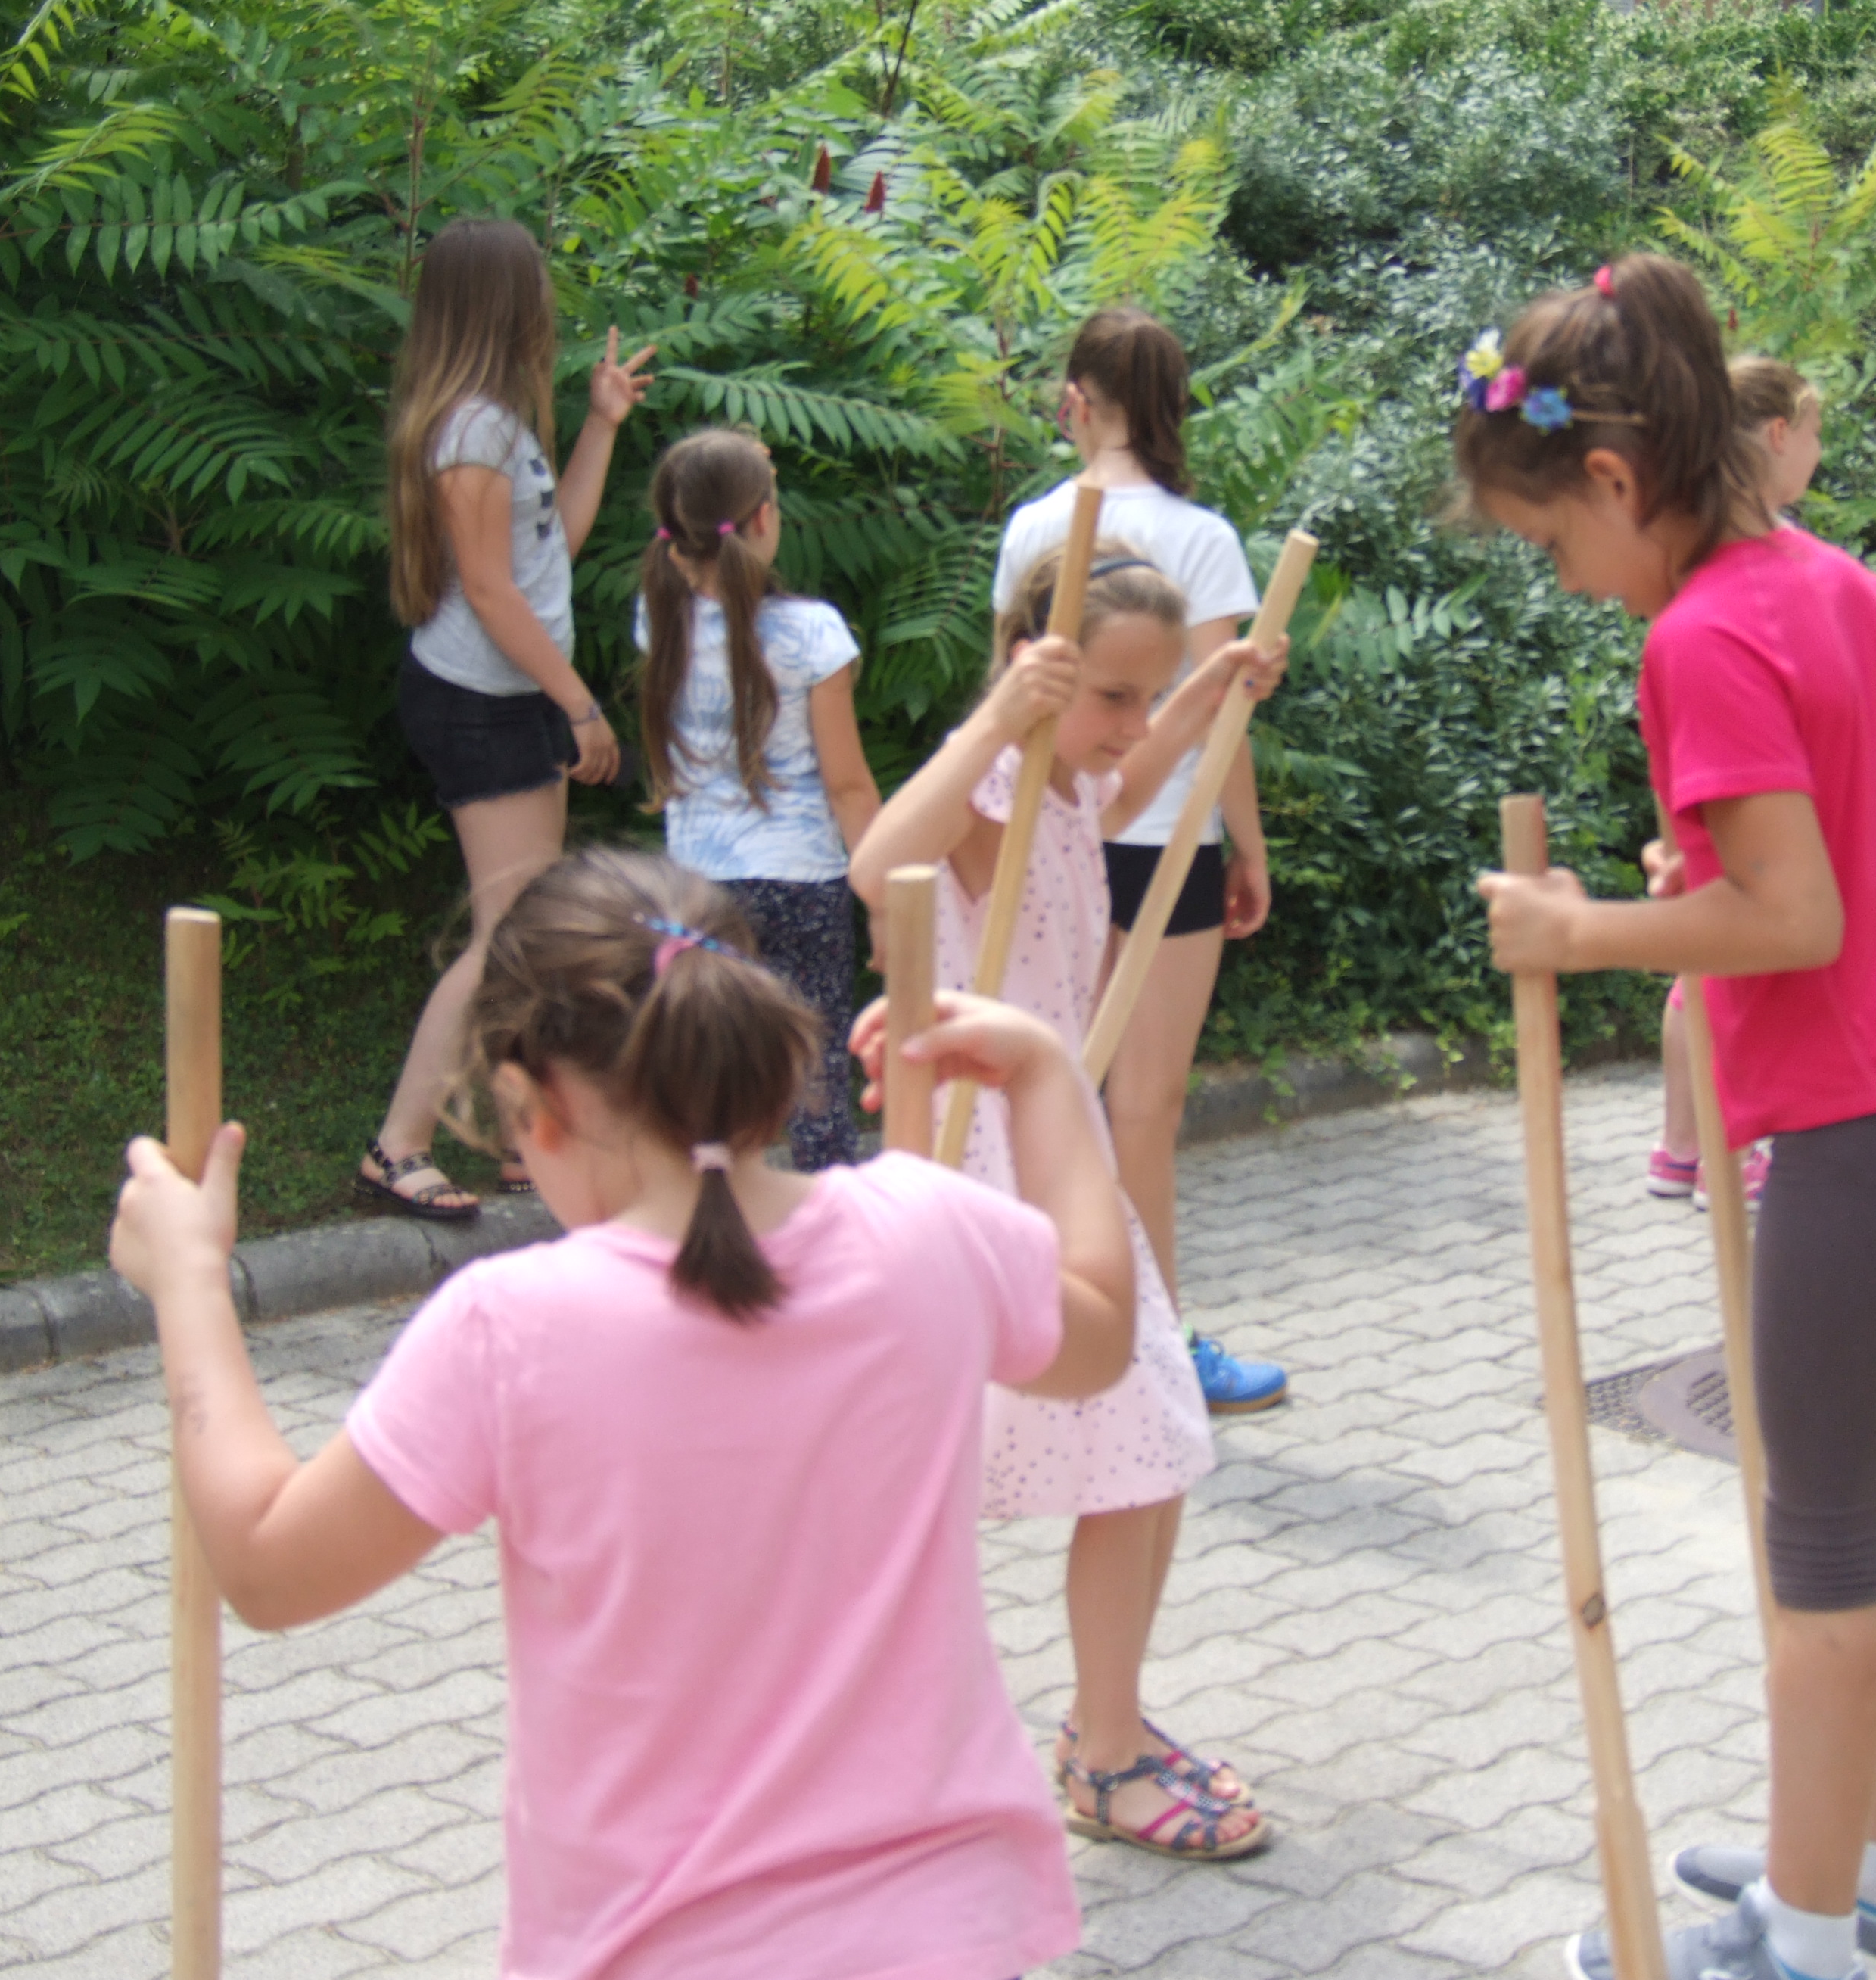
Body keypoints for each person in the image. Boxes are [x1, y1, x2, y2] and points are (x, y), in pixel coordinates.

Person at [110, 848, 1137, 1980]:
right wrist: (1046, 1079)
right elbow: (1098, 1330)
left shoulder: (511, 1329)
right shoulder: (928, 1231)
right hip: (944, 1933)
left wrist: (193, 1286)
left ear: (531, 1105)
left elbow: (270, 1565)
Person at [1464, 256, 1876, 1980]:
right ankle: (1865, 1871)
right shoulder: (1834, 581)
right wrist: (1723, 870)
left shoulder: (1700, 634)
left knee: (1818, 1559)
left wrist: (1579, 929)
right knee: (1858, 1521)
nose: (1567, 579)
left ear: (1613, 478)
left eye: (1552, 544)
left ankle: (1804, 1937)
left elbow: (1793, 919)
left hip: (1868, 1133)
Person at [850, 546, 1284, 1861]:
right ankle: (1101, 1751)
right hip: (989, 1158)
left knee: (1155, 1443)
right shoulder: (995, 776)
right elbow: (876, 865)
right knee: (1141, 1444)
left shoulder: (1066, 779)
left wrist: (1208, 691)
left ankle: (1110, 1720)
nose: (1130, 728)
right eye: (1112, 696)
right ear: (1034, 672)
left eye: (1145, 697)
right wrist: (1000, 716)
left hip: (1056, 1142)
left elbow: (1116, 796)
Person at [993, 306, 1290, 1415]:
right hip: (1162, 840)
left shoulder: (1031, 525)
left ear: (1075, 401)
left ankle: (1052, 1333)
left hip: (1044, 834)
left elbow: (1007, 695)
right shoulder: (1201, 536)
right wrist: (1248, 846)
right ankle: (1154, 1349)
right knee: (1143, 1112)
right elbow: (1225, 716)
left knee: (1046, 1096)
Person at [362, 216, 654, 1220]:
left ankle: (526, 1140)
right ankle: (397, 1146)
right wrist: (581, 705)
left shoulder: (491, 422)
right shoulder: (473, 431)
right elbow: (489, 592)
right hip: (482, 704)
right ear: (502, 303)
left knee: (526, 930)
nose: (548, 304)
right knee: (506, 933)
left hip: (506, 695)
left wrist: (601, 424)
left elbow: (547, 553)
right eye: (535, 287)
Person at [635, 426, 882, 1168]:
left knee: (709, 1063)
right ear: (766, 519)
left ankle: (710, 1207)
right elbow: (847, 784)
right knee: (813, 1069)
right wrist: (882, 898)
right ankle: (829, 1205)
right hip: (803, 881)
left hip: (698, 887)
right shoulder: (813, 633)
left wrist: (729, 473)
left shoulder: (657, 619)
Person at [1650, 356, 1824, 1211]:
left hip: (1700, 765)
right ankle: (1744, 1141)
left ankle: (1684, 1148)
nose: (1818, 452)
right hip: (1757, 777)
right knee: (1752, 955)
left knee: (1701, 957)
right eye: (1816, 433)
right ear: (1780, 434)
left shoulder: (1691, 556)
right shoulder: (1778, 563)